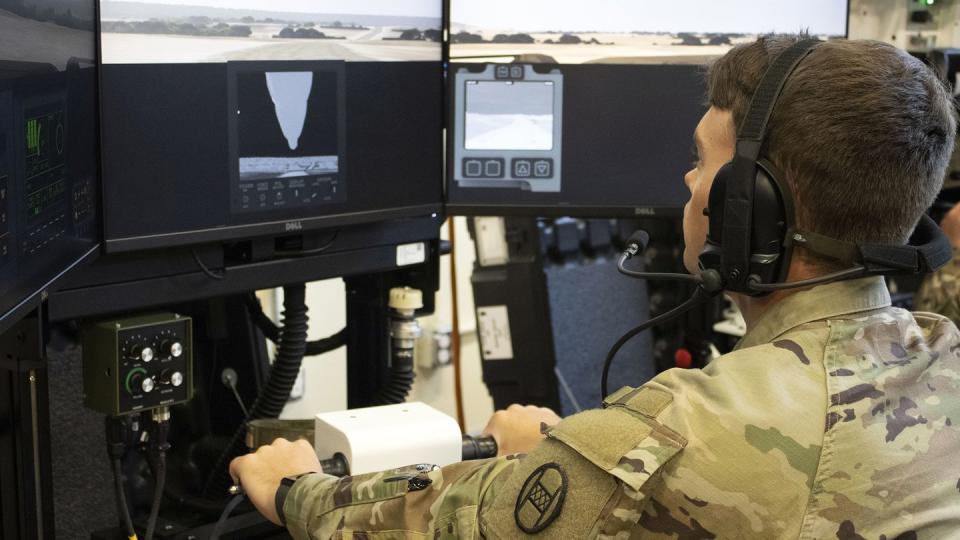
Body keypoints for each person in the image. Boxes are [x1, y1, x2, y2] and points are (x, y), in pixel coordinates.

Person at [229, 36, 960, 538]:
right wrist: (575, 454)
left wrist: (296, 488)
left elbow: (443, 521)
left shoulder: (681, 434)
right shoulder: (942, 358)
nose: (687, 182)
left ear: (750, 210)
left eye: (700, 163)